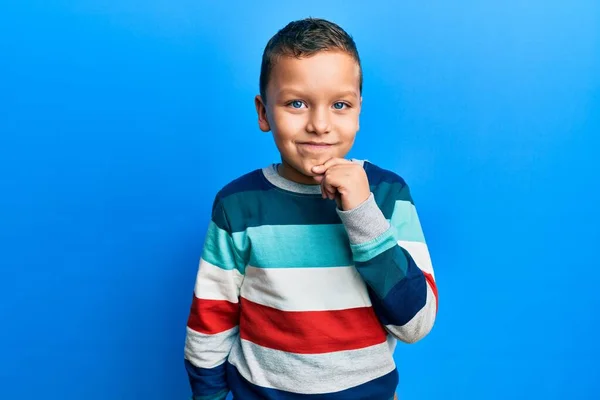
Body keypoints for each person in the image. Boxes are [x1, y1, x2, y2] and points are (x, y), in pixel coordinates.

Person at [183, 17, 438, 400]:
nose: (320, 125)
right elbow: (210, 325)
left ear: (358, 111)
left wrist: (363, 215)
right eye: (296, 103)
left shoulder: (388, 194)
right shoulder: (237, 205)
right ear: (264, 112)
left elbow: (416, 323)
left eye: (339, 104)